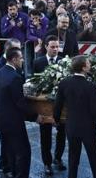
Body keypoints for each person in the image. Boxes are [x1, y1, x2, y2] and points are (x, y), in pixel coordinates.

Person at [0, 47, 41, 178]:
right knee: (23, 152)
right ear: (14, 59)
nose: (22, 60)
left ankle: (13, 173)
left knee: (10, 151)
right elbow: (20, 102)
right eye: (21, 58)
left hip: (0, 120)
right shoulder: (15, 77)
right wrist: (35, 116)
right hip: (13, 122)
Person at [53, 56, 96, 178]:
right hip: (88, 128)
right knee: (95, 158)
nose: (90, 65)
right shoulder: (90, 86)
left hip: (72, 126)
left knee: (73, 158)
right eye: (88, 63)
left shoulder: (64, 83)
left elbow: (58, 105)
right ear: (83, 67)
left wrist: (56, 119)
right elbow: (94, 109)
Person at [34, 36, 67, 175]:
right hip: (44, 104)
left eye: (57, 47)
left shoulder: (64, 62)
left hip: (61, 105)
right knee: (45, 135)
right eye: (52, 47)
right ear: (46, 47)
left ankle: (58, 158)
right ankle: (47, 163)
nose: (55, 49)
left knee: (62, 133)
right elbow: (34, 82)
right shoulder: (38, 62)